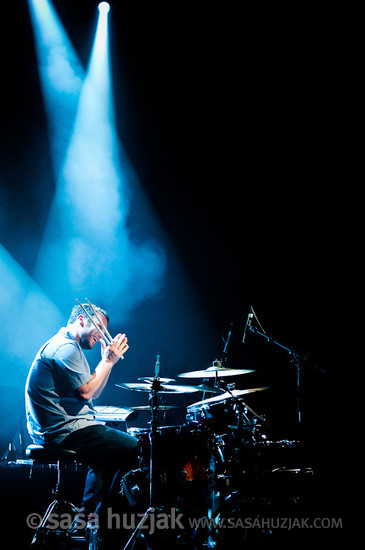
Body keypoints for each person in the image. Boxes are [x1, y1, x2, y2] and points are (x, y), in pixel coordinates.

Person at [25, 302, 139, 525]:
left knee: (108, 457)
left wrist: (109, 361)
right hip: (63, 430)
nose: (101, 335)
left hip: (65, 427)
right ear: (81, 320)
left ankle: (89, 518)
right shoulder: (65, 347)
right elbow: (87, 392)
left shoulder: (71, 347)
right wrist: (107, 361)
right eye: (99, 327)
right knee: (135, 448)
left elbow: (94, 393)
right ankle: (104, 521)